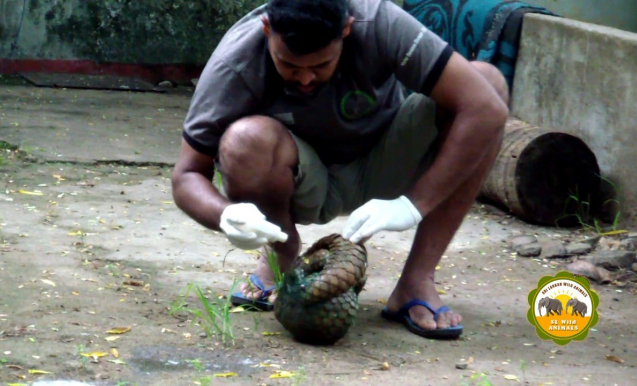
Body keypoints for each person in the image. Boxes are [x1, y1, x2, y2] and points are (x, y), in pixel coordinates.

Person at [172, 0, 509, 339]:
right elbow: (187, 175)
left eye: (321, 64)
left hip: (388, 161)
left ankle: (416, 280)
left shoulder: (378, 22)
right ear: (266, 30)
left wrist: (412, 205)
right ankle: (281, 260)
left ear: (347, 29)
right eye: (288, 64)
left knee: (486, 84)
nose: (304, 78)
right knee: (244, 140)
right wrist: (225, 215)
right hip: (300, 180)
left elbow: (486, 109)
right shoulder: (235, 62)